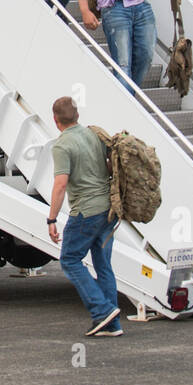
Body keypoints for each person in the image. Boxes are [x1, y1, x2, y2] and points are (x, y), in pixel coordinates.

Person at [46, 96, 123, 337]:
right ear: (77, 116)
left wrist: (51, 219)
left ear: (56, 120)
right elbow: (109, 168)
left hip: (86, 212)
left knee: (69, 260)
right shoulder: (93, 136)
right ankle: (111, 324)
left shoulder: (61, 145)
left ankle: (101, 311)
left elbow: (60, 185)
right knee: (103, 264)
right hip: (108, 210)